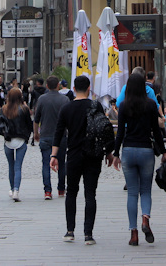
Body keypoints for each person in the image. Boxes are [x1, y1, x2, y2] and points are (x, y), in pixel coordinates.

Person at [52, 74, 112, 245]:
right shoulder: (96, 106)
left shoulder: (66, 108)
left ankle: (70, 231)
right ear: (88, 88)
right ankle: (88, 234)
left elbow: (59, 133)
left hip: (73, 155)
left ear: (73, 89)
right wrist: (108, 153)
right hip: (93, 154)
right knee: (90, 194)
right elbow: (104, 130)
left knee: (71, 191)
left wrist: (54, 155)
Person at [110, 73, 166, 246]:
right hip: (146, 151)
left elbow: (120, 132)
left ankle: (133, 233)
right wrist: (164, 152)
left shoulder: (123, 105)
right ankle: (145, 219)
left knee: (132, 193)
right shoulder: (151, 105)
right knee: (146, 190)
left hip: (128, 150)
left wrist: (116, 154)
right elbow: (156, 132)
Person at [35, 75, 72, 200]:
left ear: (47, 86)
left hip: (45, 135)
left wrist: (35, 133)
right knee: (61, 162)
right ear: (58, 86)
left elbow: (36, 119)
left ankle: (47, 191)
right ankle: (61, 189)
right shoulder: (65, 100)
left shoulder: (41, 99)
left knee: (46, 163)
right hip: (61, 137)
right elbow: (69, 120)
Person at [2, 87, 33, 202]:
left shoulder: (4, 109)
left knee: (11, 165)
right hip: (21, 139)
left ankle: (11, 188)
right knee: (18, 166)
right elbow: (29, 124)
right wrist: (28, 136)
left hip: (8, 140)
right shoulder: (24, 109)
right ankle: (16, 190)